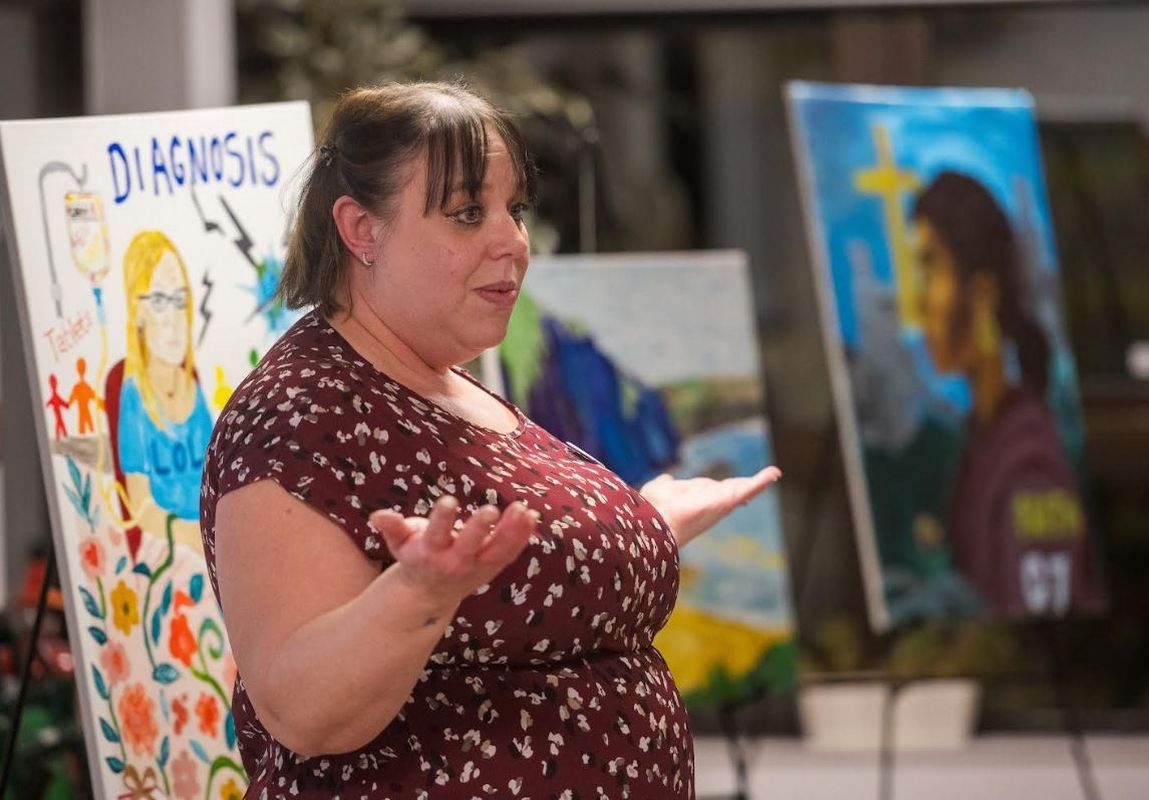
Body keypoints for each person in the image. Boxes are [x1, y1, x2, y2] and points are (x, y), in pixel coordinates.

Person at [201, 81, 779, 800]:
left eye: (514, 209)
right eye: (467, 213)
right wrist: (418, 592)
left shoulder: (450, 382)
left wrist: (642, 524)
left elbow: (525, 579)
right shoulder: (296, 415)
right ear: (361, 229)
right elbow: (303, 711)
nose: (511, 241)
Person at [912, 171, 1100, 618]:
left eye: (930, 268)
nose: (918, 303)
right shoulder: (981, 436)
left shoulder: (1028, 462)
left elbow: (1041, 627)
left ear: (981, 294)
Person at [116, 229, 212, 552]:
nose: (173, 319)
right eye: (158, 300)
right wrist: (189, 536)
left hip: (211, 547)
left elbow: (216, 481)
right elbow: (141, 507)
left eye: (179, 299)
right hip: (167, 552)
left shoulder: (194, 391)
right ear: (137, 312)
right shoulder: (134, 398)